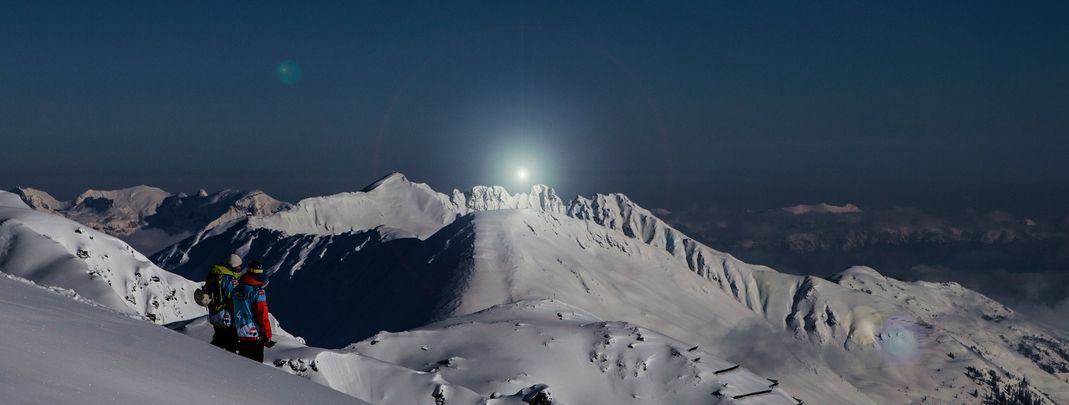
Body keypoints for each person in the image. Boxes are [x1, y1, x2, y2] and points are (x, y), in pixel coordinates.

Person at [232, 261, 275, 362]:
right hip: (254, 334)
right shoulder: (258, 292)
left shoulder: (237, 288)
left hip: (240, 332)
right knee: (255, 366)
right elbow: (262, 315)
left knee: (242, 363)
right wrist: (268, 334)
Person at [205, 253, 242, 352]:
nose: (240, 268)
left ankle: (206, 356)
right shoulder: (230, 279)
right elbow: (232, 299)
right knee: (231, 344)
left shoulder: (215, 274)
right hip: (226, 317)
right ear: (234, 266)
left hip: (214, 313)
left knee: (219, 339)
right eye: (239, 266)